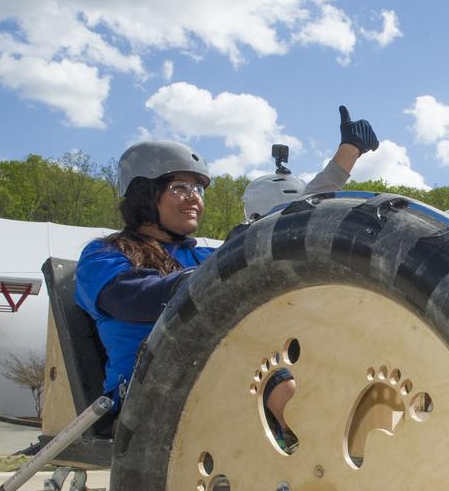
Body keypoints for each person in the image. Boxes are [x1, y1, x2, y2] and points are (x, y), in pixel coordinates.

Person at [75, 106, 379, 422]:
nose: (194, 198)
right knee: (270, 373)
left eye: (198, 189)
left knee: (332, 362)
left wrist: (347, 154)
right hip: (146, 399)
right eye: (179, 188)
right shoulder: (104, 254)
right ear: (144, 195)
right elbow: (132, 298)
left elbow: (283, 226)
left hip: (217, 380)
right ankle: (316, 436)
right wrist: (217, 277)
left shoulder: (204, 256)